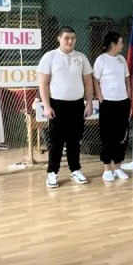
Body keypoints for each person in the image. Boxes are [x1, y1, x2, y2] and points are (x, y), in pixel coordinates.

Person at [37, 27, 94, 189]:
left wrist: (89, 103)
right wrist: (46, 106)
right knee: (56, 141)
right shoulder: (50, 57)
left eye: (73, 38)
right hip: (57, 105)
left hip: (77, 105)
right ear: (59, 39)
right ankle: (52, 173)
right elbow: (43, 83)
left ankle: (75, 170)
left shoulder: (81, 57)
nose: (70, 41)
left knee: (74, 141)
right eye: (67, 38)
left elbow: (88, 82)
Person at [92, 32, 132, 183]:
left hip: (123, 102)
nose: (122, 45)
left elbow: (127, 79)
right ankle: (107, 168)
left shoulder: (122, 59)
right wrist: (100, 97)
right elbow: (95, 80)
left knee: (121, 136)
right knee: (107, 136)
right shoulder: (101, 60)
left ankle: (118, 166)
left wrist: (129, 96)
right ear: (113, 44)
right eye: (121, 42)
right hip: (108, 103)